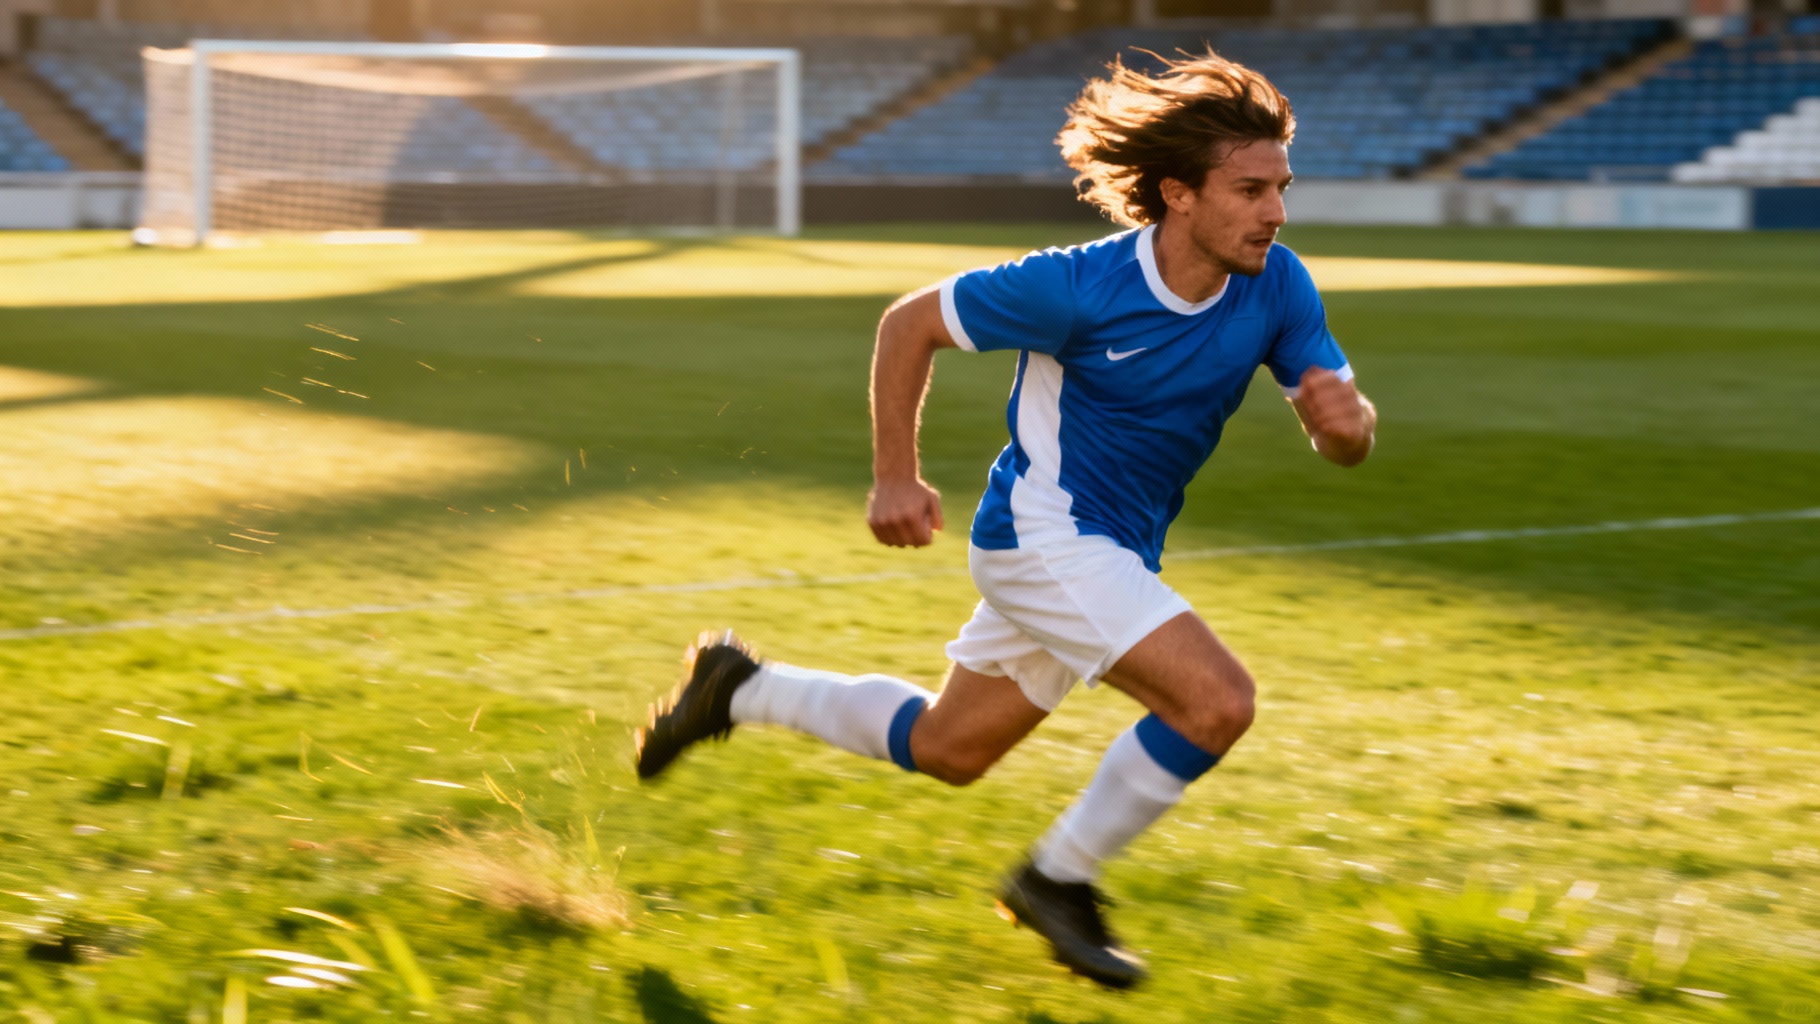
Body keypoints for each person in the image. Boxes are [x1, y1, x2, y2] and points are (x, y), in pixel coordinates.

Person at [634, 50, 1377, 989]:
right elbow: (910, 324)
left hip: (1109, 549)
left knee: (952, 748)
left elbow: (1344, 433)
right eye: (1250, 188)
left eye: (1282, 186)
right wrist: (894, 479)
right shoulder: (1075, 288)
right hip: (1044, 537)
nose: (1275, 211)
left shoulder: (1278, 283)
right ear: (1178, 194)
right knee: (1217, 702)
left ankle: (735, 687)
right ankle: (1056, 879)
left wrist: (1348, 429)